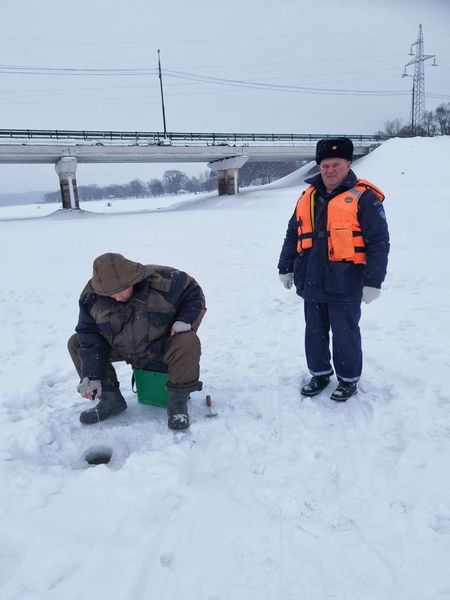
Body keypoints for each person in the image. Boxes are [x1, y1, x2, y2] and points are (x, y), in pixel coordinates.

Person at [278, 137, 389, 401]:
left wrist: (374, 281)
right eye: (325, 165)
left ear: (348, 164)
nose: (329, 170)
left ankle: (348, 380)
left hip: (346, 281)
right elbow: (293, 234)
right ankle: (319, 374)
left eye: (335, 164)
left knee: (345, 335)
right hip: (311, 280)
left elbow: (379, 242)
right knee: (314, 333)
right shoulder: (307, 196)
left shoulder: (364, 197)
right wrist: (285, 266)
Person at [68, 252, 206, 430]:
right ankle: (110, 399)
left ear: (133, 280)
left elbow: (194, 294)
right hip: (121, 347)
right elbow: (88, 335)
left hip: (160, 344)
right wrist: (92, 376)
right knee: (76, 342)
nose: (116, 297)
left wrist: (185, 320)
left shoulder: (164, 281)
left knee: (187, 341)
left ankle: (178, 404)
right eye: (110, 294)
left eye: (120, 291)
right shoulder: (92, 297)